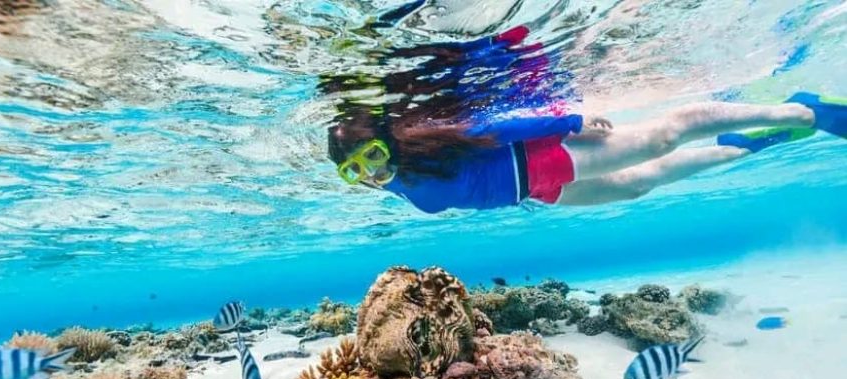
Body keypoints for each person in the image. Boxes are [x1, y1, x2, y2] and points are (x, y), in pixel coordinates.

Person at [325, 26, 845, 214]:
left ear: (386, 141)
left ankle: (802, 108)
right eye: (355, 172)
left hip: (543, 156)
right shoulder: (394, 185)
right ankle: (757, 141)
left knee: (666, 134)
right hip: (536, 191)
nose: (370, 173)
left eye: (371, 157)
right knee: (640, 186)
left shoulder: (424, 143)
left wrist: (570, 122)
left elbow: (492, 131)